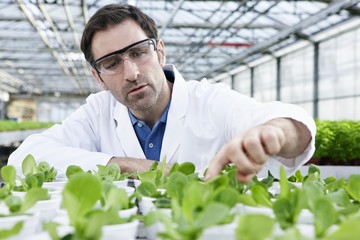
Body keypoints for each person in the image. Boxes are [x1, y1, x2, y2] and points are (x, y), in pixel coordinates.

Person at [8, 4, 316, 182]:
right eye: (112, 63)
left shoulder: (208, 100)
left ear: (160, 52)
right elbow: (25, 157)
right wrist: (128, 164)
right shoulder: (96, 112)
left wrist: (275, 132)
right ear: (98, 77)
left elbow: (290, 127)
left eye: (139, 52)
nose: (132, 73)